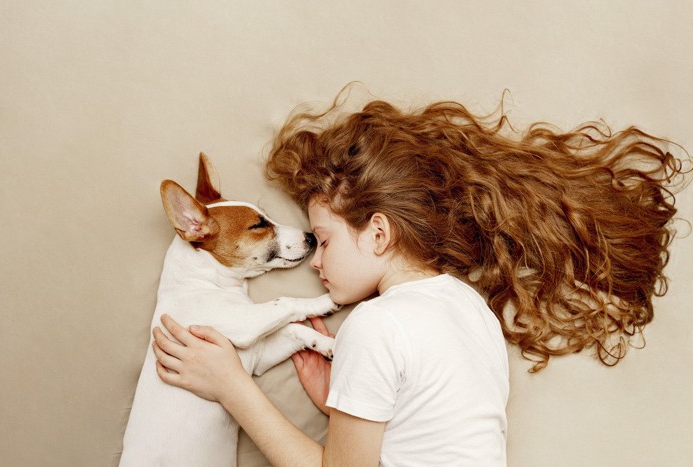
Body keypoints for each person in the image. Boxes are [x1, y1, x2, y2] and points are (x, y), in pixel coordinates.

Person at [151, 90, 687, 466]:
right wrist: (341, 407)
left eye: (326, 240)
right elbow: (432, 434)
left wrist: (231, 386)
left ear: (378, 234)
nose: (315, 261)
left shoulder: (376, 326)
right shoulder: (469, 307)